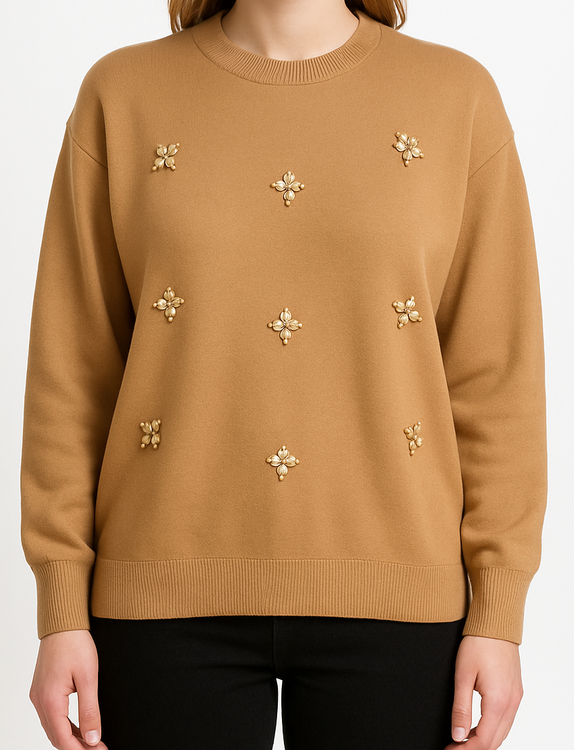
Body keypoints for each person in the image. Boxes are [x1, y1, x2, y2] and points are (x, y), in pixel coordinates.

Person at [20, 1, 547, 749]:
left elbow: (497, 377)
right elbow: (71, 371)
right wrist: (61, 607)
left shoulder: (456, 95)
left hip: (400, 598)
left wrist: (499, 613)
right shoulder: (121, 92)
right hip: (159, 597)